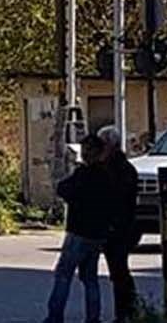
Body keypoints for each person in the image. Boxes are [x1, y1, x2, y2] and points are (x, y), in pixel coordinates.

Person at [46, 134, 112, 323]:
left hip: (78, 231)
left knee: (63, 274)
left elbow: (63, 189)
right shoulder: (106, 175)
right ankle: (93, 317)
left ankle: (55, 316)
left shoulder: (83, 174)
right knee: (90, 277)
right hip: (97, 233)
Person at [99, 126, 140, 322]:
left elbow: (117, 198)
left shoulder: (118, 169)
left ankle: (125, 311)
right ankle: (128, 309)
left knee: (119, 271)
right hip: (120, 225)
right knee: (119, 270)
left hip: (120, 227)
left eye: (102, 144)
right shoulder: (118, 167)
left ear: (110, 145)